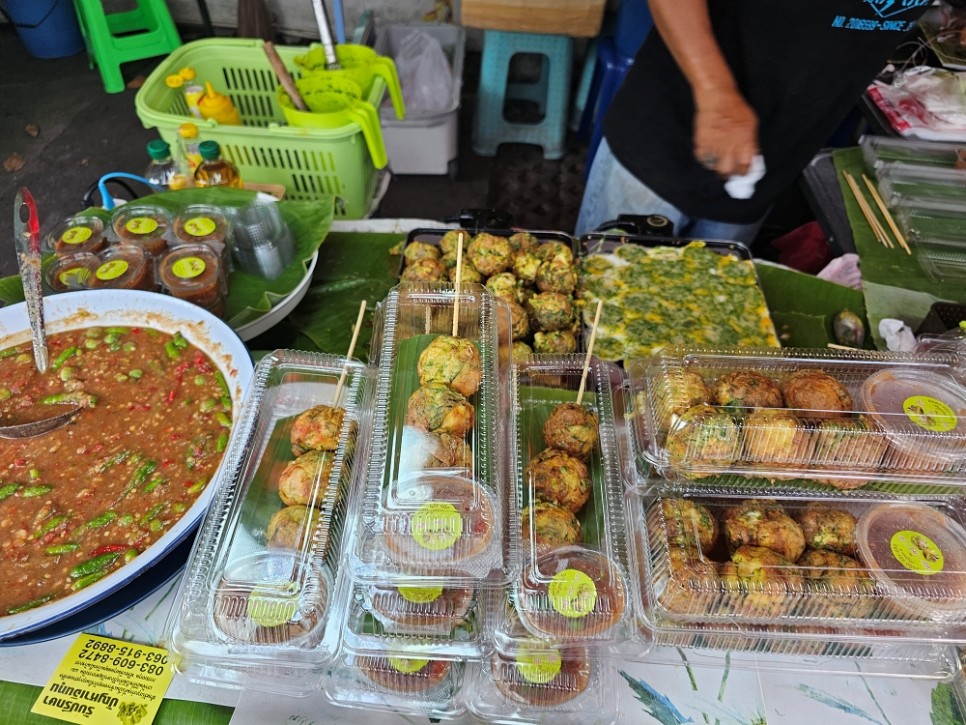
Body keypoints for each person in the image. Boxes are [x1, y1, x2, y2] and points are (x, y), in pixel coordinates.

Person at [575, 0, 936, 244]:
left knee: (703, 324)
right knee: (602, 309)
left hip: (775, 155)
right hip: (670, 127)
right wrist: (716, 94)